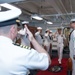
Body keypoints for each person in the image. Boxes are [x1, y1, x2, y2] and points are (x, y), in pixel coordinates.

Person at [0, 3, 51, 75]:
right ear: (13, 29)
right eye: (16, 28)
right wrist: (32, 39)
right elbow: (47, 61)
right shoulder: (22, 52)